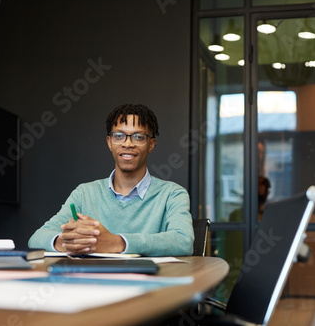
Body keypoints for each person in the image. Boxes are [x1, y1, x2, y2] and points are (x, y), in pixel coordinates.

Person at [28, 104, 194, 256]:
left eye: (138, 137)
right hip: (93, 285)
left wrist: (117, 243)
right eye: (119, 136)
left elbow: (183, 241)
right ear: (110, 142)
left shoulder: (172, 194)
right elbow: (37, 238)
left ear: (151, 144)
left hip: (151, 285)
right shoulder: (85, 193)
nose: (127, 144)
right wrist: (69, 243)